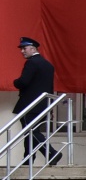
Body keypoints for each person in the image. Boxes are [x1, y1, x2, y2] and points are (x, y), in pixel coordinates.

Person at [12, 37, 59, 165]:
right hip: (43, 104)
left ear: (33, 48)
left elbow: (23, 82)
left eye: (24, 48)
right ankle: (28, 159)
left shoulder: (32, 63)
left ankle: (51, 153)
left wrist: (15, 82)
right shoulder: (47, 64)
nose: (22, 51)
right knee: (31, 132)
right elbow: (49, 87)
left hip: (30, 104)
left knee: (31, 131)